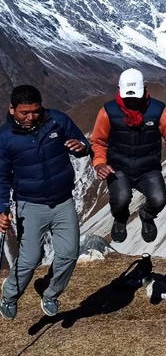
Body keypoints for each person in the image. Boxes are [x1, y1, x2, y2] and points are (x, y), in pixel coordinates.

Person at [0, 85, 90, 320]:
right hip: (30, 205)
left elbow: (81, 143)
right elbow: (1, 177)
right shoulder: (5, 139)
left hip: (63, 201)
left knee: (69, 253)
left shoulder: (57, 121)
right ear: (12, 110)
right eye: (24, 113)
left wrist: (82, 147)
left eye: (36, 111)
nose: (31, 117)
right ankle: (9, 296)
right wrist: (2, 209)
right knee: (29, 259)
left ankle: (51, 294)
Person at [90, 68, 166, 244]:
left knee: (158, 199)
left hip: (148, 169)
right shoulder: (108, 112)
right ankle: (120, 218)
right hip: (118, 169)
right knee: (120, 199)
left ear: (145, 89)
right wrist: (99, 163)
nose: (132, 102)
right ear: (119, 90)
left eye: (136, 97)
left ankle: (146, 215)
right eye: (128, 97)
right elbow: (98, 142)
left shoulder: (159, 111)